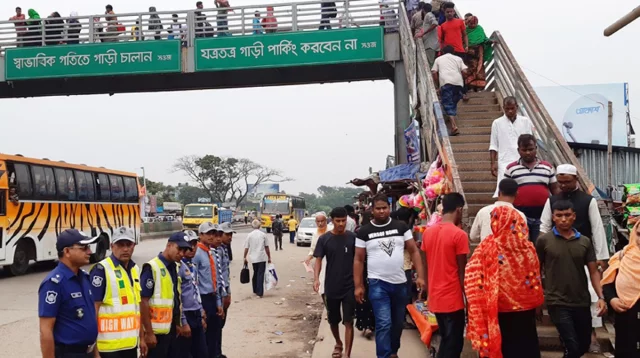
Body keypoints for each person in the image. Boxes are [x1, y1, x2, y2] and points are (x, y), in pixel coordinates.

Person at [539, 164, 610, 352]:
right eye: (560, 182)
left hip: (583, 253)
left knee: (591, 294)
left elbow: (597, 229)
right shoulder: (552, 200)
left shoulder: (588, 201)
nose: (563, 186)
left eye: (567, 182)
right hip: (558, 253)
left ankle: (592, 335)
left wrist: (601, 256)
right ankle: (568, 338)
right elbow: (544, 226)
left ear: (576, 179)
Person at [465, 206, 544, 358]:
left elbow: (472, 279)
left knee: (504, 348)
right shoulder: (528, 249)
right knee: (525, 348)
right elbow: (535, 280)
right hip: (525, 312)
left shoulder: (486, 248)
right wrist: (538, 303)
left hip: (498, 311)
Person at [354, 194, 426, 358]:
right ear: (372, 210)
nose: (381, 211)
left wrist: (420, 276)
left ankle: (393, 351)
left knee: (397, 324)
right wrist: (358, 285)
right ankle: (384, 355)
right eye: (378, 208)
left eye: (384, 208)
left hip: (401, 283)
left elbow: (414, 251)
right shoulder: (364, 231)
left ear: (389, 208)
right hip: (378, 284)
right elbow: (358, 259)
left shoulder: (401, 227)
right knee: (384, 323)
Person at [421, 193, 469, 358]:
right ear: (459, 209)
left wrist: (427, 289)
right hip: (452, 298)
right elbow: (461, 271)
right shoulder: (459, 235)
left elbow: (425, 265)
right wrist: (468, 300)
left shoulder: (428, 233)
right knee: (453, 343)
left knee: (446, 339)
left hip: (435, 296)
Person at [39, 229, 99, 358]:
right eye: (84, 248)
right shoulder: (54, 283)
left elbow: (90, 321)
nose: (89, 252)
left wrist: (96, 354)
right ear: (67, 251)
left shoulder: (84, 278)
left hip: (88, 352)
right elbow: (46, 330)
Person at [90, 227, 146, 358]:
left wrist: (141, 338)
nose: (125, 249)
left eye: (129, 245)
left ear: (134, 245)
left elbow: (137, 308)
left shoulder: (134, 269)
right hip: (108, 349)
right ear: (112, 246)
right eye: (120, 245)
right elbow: (93, 311)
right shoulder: (101, 270)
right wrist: (94, 349)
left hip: (130, 346)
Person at [313, 207, 357, 358]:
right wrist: (316, 279)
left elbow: (359, 260)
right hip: (331, 286)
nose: (341, 224)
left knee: (349, 321)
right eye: (337, 221)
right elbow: (318, 260)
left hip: (350, 286)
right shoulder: (324, 239)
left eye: (343, 220)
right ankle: (338, 342)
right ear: (332, 221)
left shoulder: (353, 237)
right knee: (333, 320)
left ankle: (347, 354)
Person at [140, 232, 191, 358]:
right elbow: (143, 301)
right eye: (179, 249)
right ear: (169, 245)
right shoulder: (152, 267)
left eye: (185, 251)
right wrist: (149, 333)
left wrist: (177, 323)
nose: (182, 254)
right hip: (156, 333)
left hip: (170, 329)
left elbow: (174, 299)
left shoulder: (174, 267)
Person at [504, 134, 559, 243]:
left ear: (536, 149)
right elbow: (506, 193)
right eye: (524, 150)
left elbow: (555, 191)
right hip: (520, 217)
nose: (528, 152)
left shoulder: (547, 167)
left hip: (543, 217)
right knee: (521, 246)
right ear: (518, 150)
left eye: (531, 149)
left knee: (540, 246)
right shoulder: (511, 169)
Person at [601, 222, 640, 358]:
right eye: (639, 234)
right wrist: (612, 300)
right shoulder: (622, 257)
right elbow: (607, 284)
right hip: (626, 318)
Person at [489, 96, 534, 198]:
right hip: (504, 161)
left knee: (522, 188)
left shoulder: (525, 121)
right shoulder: (497, 123)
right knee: (504, 189)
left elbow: (530, 141)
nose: (510, 111)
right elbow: (493, 145)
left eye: (512, 108)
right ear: (503, 108)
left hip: (522, 160)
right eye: (507, 109)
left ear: (516, 107)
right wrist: (493, 163)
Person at [175, 230, 208, 358]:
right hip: (186, 315)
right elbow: (179, 297)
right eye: (189, 245)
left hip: (196, 313)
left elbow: (195, 290)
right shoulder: (178, 267)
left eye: (194, 244)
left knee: (201, 352)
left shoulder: (192, 265)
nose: (192, 248)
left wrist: (201, 311)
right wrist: (183, 322)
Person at [193, 222, 223, 358]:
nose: (211, 236)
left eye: (213, 233)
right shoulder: (197, 254)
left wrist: (218, 303)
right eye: (208, 233)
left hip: (212, 297)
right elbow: (194, 282)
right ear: (201, 235)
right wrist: (200, 308)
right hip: (203, 299)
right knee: (204, 337)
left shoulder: (210, 252)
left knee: (214, 334)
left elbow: (215, 278)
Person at [470, 178, 526, 243]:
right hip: (509, 252)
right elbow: (523, 239)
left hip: (487, 251)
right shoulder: (520, 215)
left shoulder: (483, 212)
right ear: (516, 194)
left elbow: (473, 236)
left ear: (499, 192)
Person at [431, 45, 468, 136]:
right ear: (453, 52)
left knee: (448, 103)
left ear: (442, 52)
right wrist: (462, 78)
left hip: (446, 82)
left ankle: (454, 126)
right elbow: (465, 71)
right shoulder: (458, 58)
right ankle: (452, 119)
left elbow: (434, 72)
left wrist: (438, 85)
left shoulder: (438, 59)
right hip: (458, 83)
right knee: (453, 102)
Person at [390, 207, 417, 329]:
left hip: (396, 266)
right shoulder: (404, 229)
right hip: (404, 266)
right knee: (404, 295)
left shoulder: (393, 227)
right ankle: (401, 321)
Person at [211, 224, 230, 358]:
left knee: (219, 326)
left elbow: (224, 274)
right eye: (226, 235)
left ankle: (218, 351)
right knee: (214, 327)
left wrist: (227, 292)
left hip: (222, 292)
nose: (229, 237)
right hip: (214, 295)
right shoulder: (209, 253)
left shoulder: (222, 249)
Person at [305, 212, 330, 299]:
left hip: (332, 260)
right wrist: (309, 257)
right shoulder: (316, 234)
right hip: (321, 261)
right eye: (318, 221)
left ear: (326, 221)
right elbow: (313, 249)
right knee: (321, 282)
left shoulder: (331, 230)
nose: (320, 223)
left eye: (322, 221)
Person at [244, 220, 272, 297]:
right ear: (259, 226)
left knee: (255, 272)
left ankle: (255, 289)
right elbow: (266, 247)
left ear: (252, 226)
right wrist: (269, 257)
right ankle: (260, 292)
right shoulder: (263, 235)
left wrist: (244, 257)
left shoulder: (249, 235)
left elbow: (246, 247)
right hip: (262, 257)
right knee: (260, 274)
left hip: (253, 258)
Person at [464, 15, 491, 91]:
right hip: (469, 53)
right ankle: (470, 87)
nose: (472, 25)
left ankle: (479, 87)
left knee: (479, 68)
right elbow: (462, 40)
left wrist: (489, 41)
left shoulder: (479, 28)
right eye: (471, 24)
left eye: (474, 24)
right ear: (467, 23)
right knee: (470, 68)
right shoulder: (465, 30)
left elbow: (484, 38)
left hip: (479, 52)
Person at [412, 2, 439, 68]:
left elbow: (435, 23)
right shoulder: (428, 16)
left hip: (430, 45)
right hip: (433, 44)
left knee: (430, 65)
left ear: (423, 10)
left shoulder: (428, 15)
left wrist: (422, 33)